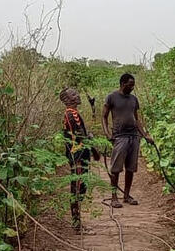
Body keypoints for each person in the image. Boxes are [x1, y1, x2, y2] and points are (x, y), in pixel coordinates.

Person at [102, 73, 153, 207]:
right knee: (116, 169)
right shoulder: (112, 97)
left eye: (133, 85)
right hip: (119, 137)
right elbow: (104, 117)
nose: (132, 88)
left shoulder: (133, 99)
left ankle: (126, 196)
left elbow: (136, 119)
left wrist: (145, 135)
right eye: (130, 85)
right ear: (123, 84)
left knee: (131, 168)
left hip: (134, 137)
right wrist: (108, 134)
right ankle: (114, 198)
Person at [61, 87, 99, 233]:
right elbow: (79, 136)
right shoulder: (70, 114)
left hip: (80, 155)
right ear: (66, 99)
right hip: (76, 156)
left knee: (80, 187)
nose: (77, 96)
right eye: (73, 94)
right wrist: (93, 148)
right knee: (77, 188)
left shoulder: (74, 113)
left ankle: (77, 222)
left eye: (77, 93)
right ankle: (77, 225)